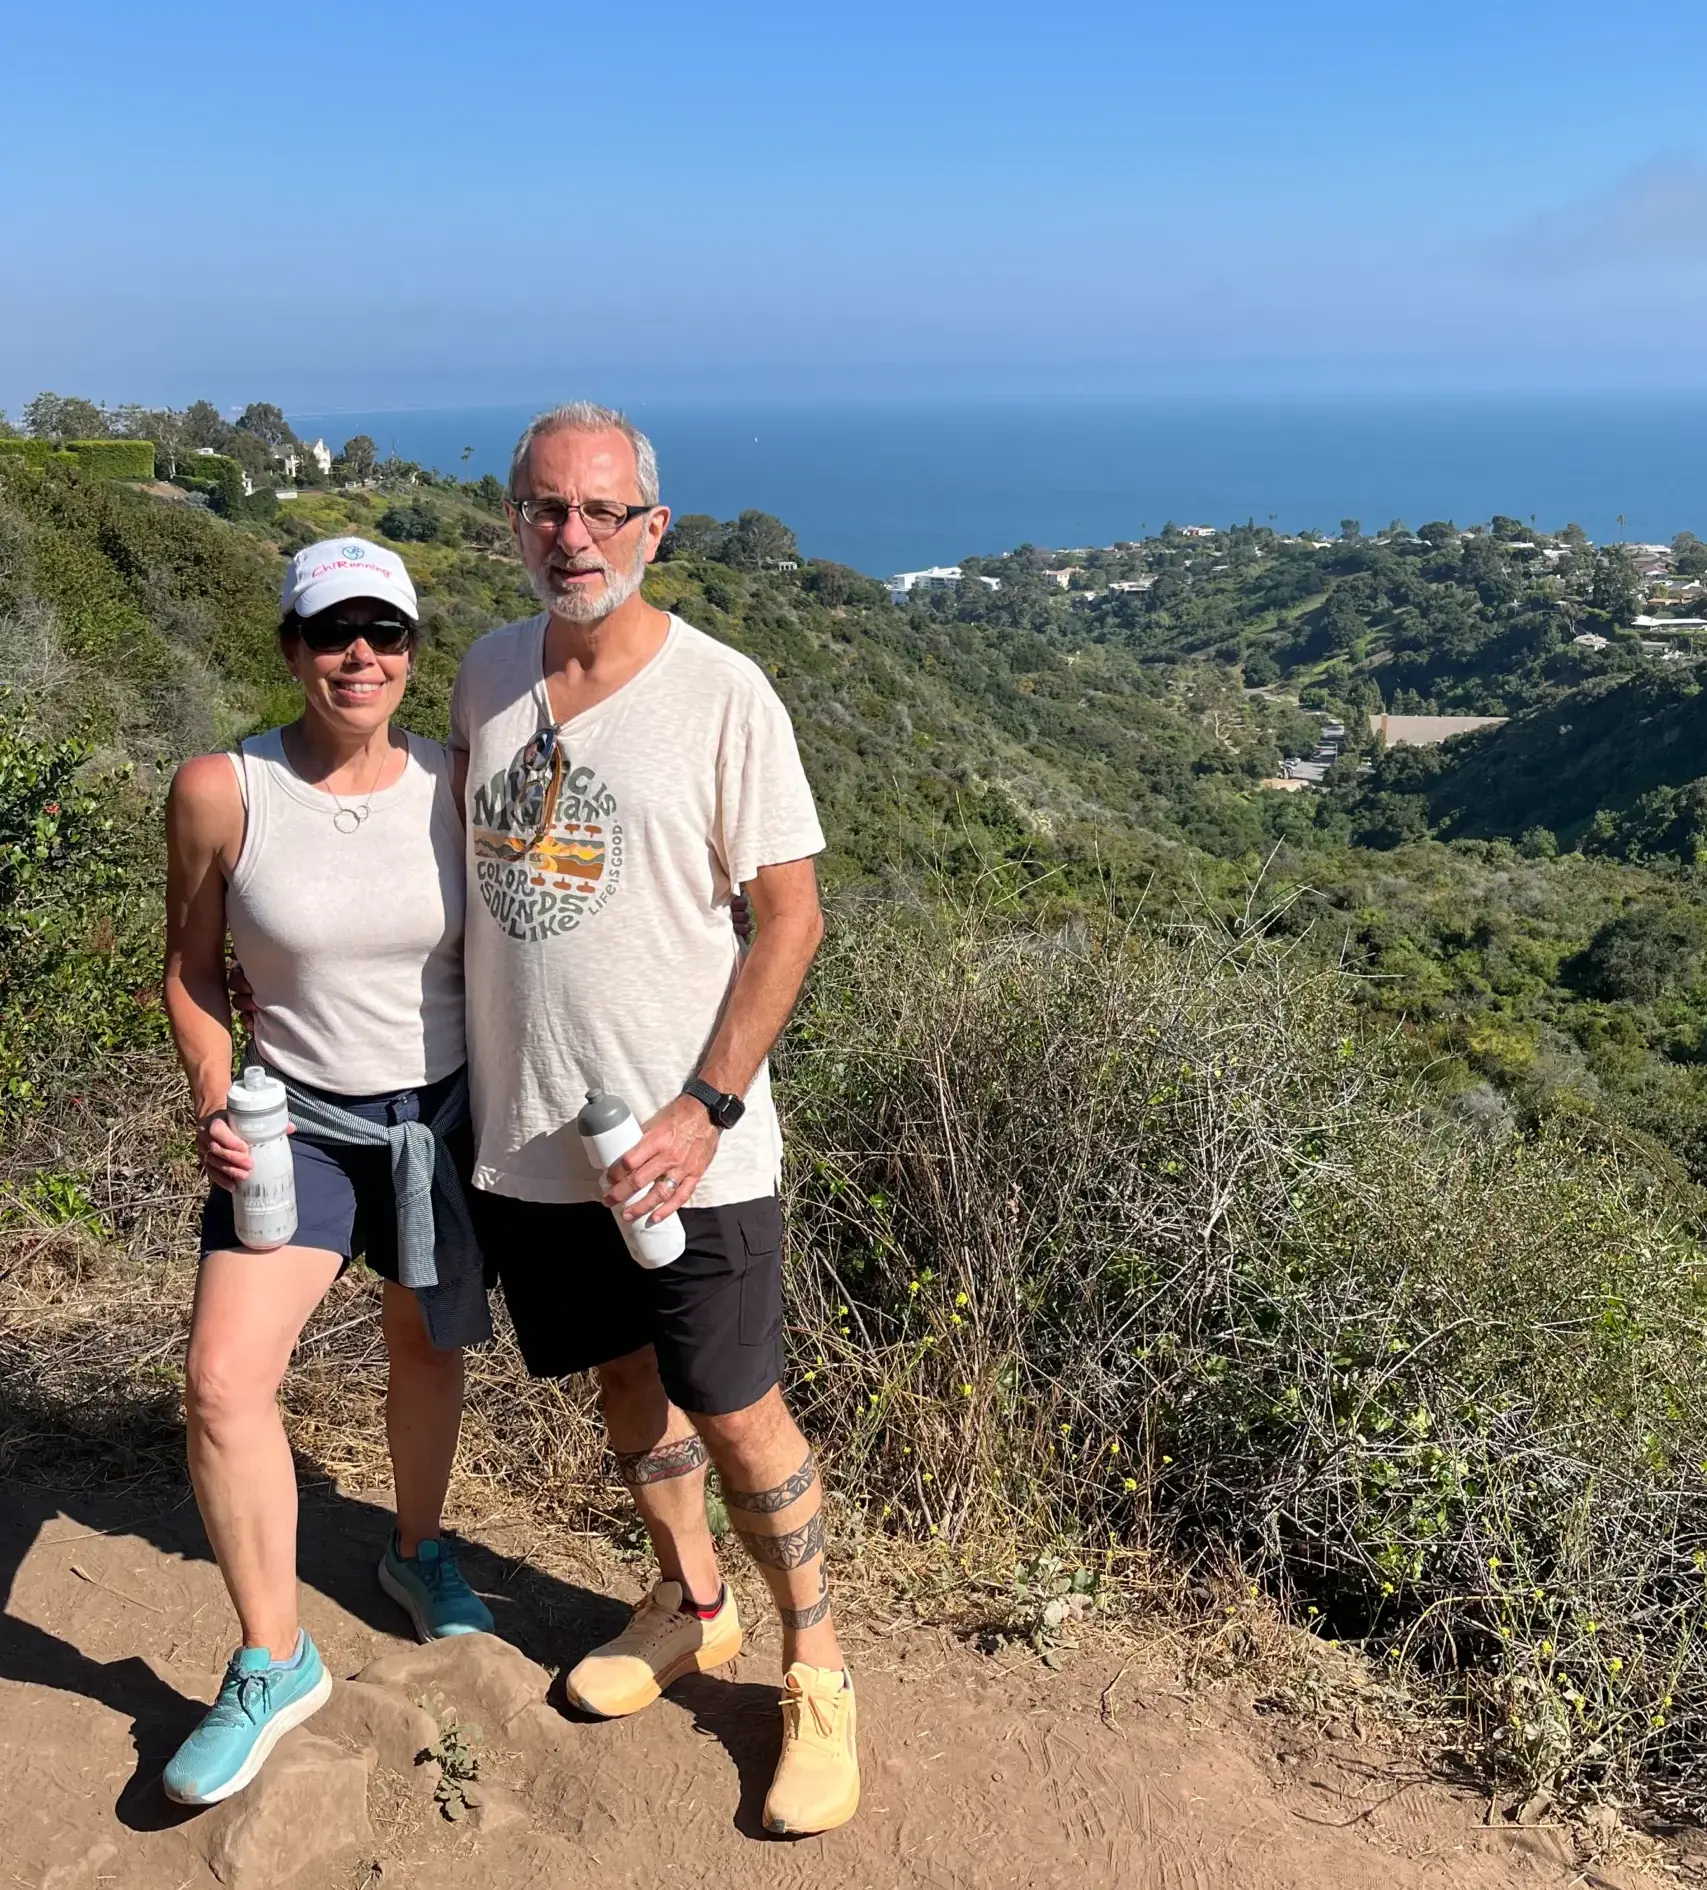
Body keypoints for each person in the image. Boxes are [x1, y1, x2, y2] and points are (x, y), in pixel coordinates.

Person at [451, 402, 858, 1835]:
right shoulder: (485, 673)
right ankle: (692, 1605)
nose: (573, 536)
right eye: (545, 508)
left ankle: (817, 1667)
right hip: (534, 1136)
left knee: (736, 1407)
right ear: (513, 520)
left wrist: (704, 1108)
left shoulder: (723, 693)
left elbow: (791, 917)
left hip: (694, 1151)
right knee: (625, 1384)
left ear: (652, 528)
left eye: (602, 511)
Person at [160, 537, 493, 1807]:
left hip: (437, 1121)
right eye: (333, 631)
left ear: (412, 652)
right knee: (222, 1382)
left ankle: (418, 1547)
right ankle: (273, 1655)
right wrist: (215, 1095)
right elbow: (191, 969)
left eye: (385, 632)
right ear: (292, 649)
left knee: (423, 1345)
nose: (362, 655)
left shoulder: (457, 783)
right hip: (294, 1125)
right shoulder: (224, 789)